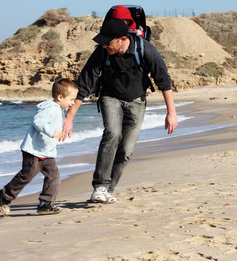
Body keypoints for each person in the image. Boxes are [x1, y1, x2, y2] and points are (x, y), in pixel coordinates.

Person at [62, 17, 178, 203]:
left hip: (137, 102)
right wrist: (69, 118)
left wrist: (171, 113)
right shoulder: (101, 53)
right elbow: (84, 85)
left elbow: (164, 81)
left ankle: (109, 189)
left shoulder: (146, 50)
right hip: (110, 97)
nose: (104, 46)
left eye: (108, 42)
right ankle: (99, 186)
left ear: (123, 39)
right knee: (112, 134)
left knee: (126, 149)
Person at [0, 79, 78, 216]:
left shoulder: (58, 109)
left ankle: (45, 204)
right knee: (26, 176)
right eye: (71, 99)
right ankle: (5, 195)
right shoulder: (50, 108)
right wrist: (53, 132)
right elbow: (38, 121)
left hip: (47, 152)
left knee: (54, 177)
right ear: (60, 97)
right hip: (34, 151)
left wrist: (62, 129)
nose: (73, 103)